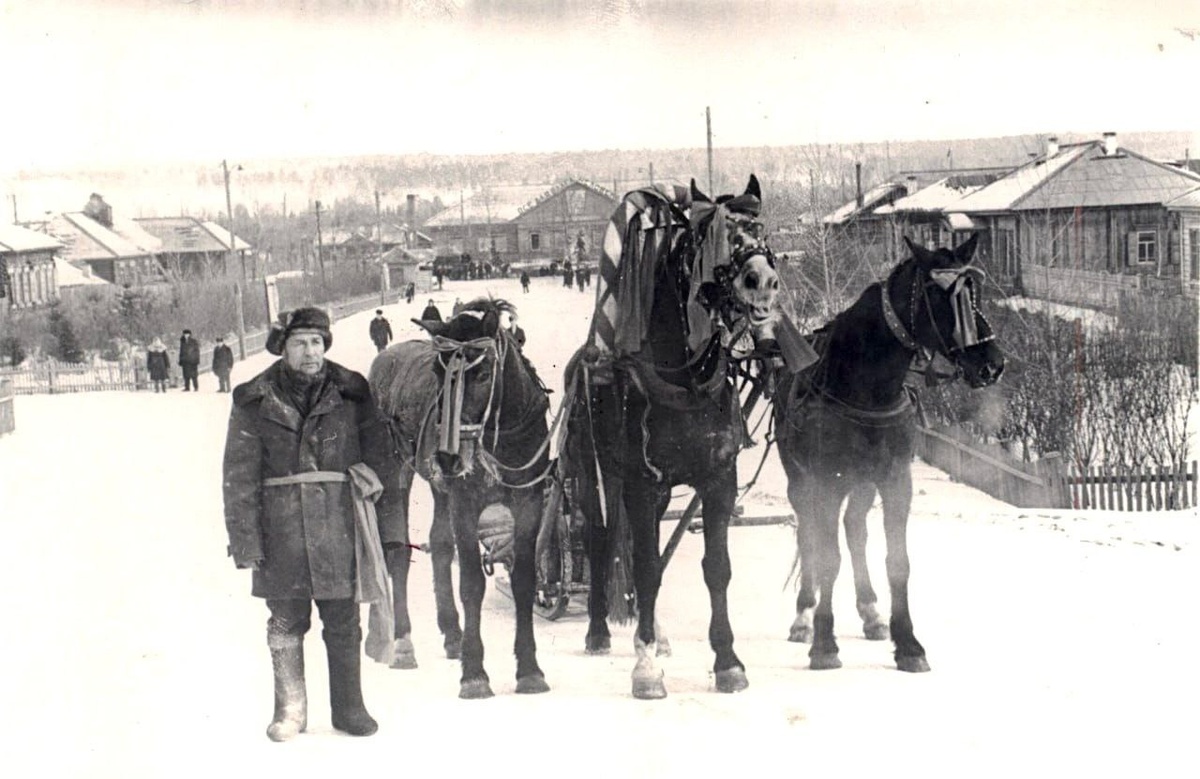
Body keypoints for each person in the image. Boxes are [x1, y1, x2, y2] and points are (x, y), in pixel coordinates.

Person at [222, 306, 405, 742]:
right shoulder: (255, 399)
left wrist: (387, 523)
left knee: (343, 619)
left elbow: (383, 457)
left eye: (317, 343)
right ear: (282, 348)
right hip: (281, 529)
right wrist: (246, 541)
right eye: (301, 343)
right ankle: (289, 710)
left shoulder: (353, 394)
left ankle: (350, 708)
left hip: (340, 526)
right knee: (286, 621)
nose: (311, 352)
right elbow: (239, 476)